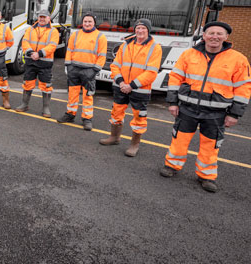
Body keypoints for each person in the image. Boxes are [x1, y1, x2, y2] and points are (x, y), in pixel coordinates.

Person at [160, 21, 251, 193]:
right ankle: (172, 165)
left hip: (216, 113)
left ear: (226, 37)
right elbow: (175, 78)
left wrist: (234, 114)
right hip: (187, 108)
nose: (214, 37)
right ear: (204, 35)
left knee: (210, 145)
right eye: (211, 33)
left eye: (219, 34)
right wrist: (172, 103)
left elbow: (244, 88)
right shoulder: (189, 54)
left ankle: (206, 175)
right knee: (179, 139)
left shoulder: (238, 59)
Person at [99, 19, 162, 156]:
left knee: (139, 118)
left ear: (148, 30)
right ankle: (114, 137)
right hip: (121, 87)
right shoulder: (126, 45)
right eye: (138, 28)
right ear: (135, 30)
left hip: (140, 90)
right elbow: (115, 65)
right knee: (116, 112)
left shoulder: (155, 47)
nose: (140, 31)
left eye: (143, 28)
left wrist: (131, 86)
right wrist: (121, 82)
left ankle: (134, 145)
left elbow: (151, 72)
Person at [57, 12, 107, 131]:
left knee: (88, 95)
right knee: (72, 94)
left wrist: (95, 70)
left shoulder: (100, 37)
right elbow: (69, 50)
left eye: (90, 21)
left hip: (89, 70)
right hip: (74, 69)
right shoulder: (76, 34)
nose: (87, 23)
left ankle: (87, 118)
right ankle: (70, 114)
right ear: (82, 22)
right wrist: (68, 65)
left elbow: (102, 56)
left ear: (94, 23)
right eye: (85, 21)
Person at [15, 9, 59, 117]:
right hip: (31, 61)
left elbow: (52, 46)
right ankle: (24, 104)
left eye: (44, 17)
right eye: (40, 17)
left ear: (49, 18)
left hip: (45, 63)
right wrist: (30, 53)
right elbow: (25, 42)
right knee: (27, 83)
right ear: (38, 18)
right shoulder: (30, 29)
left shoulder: (53, 31)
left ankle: (46, 108)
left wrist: (39, 54)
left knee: (46, 86)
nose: (42, 19)